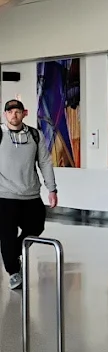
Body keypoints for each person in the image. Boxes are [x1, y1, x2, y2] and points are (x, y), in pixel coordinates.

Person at [0, 99, 59, 292]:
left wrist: (52, 189)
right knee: (7, 235)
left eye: (17, 111)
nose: (13, 115)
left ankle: (13, 252)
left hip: (31, 195)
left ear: (24, 113)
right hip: (5, 196)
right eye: (10, 112)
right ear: (5, 114)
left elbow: (45, 162)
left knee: (37, 227)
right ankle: (13, 272)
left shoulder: (35, 135)